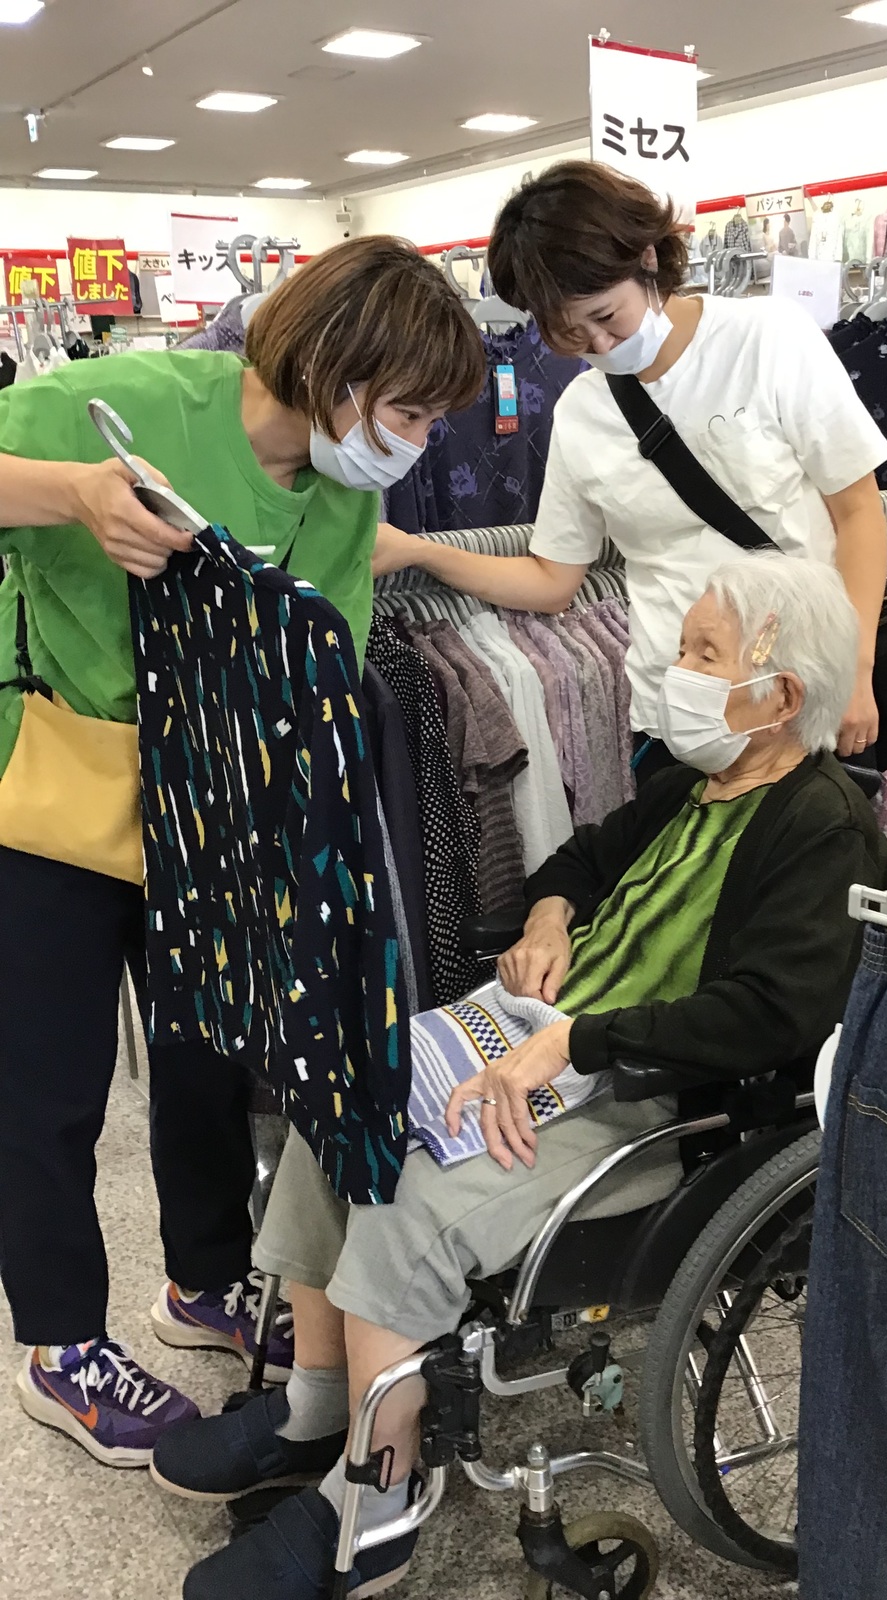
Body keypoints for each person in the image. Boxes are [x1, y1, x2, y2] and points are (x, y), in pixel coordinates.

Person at [151, 553, 887, 1600]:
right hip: (549, 1040)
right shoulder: (694, 786)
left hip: (652, 1100)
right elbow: (578, 863)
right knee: (341, 1102)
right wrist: (550, 920)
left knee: (409, 1199)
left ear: (780, 697)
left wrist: (574, 1042)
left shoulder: (821, 828)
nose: (675, 667)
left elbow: (773, 1014)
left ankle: (380, 1499)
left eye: (704, 653)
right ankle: (319, 1405)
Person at [0, 236, 485, 1467]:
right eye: (409, 411)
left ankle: (205, 1278)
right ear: (335, 365)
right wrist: (76, 497)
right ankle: (60, 1345)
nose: (419, 442)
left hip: (213, 806)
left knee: (209, 1047)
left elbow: (324, 665)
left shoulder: (346, 493)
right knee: (47, 1082)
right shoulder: (119, 405)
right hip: (56, 782)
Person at [373, 159, 887, 775]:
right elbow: (552, 579)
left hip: (792, 704)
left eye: (605, 316)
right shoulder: (581, 411)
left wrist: (854, 670)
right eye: (568, 334)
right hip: (672, 712)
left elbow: (858, 512)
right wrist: (420, 551)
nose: (597, 346)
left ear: (647, 258)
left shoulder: (768, 338)